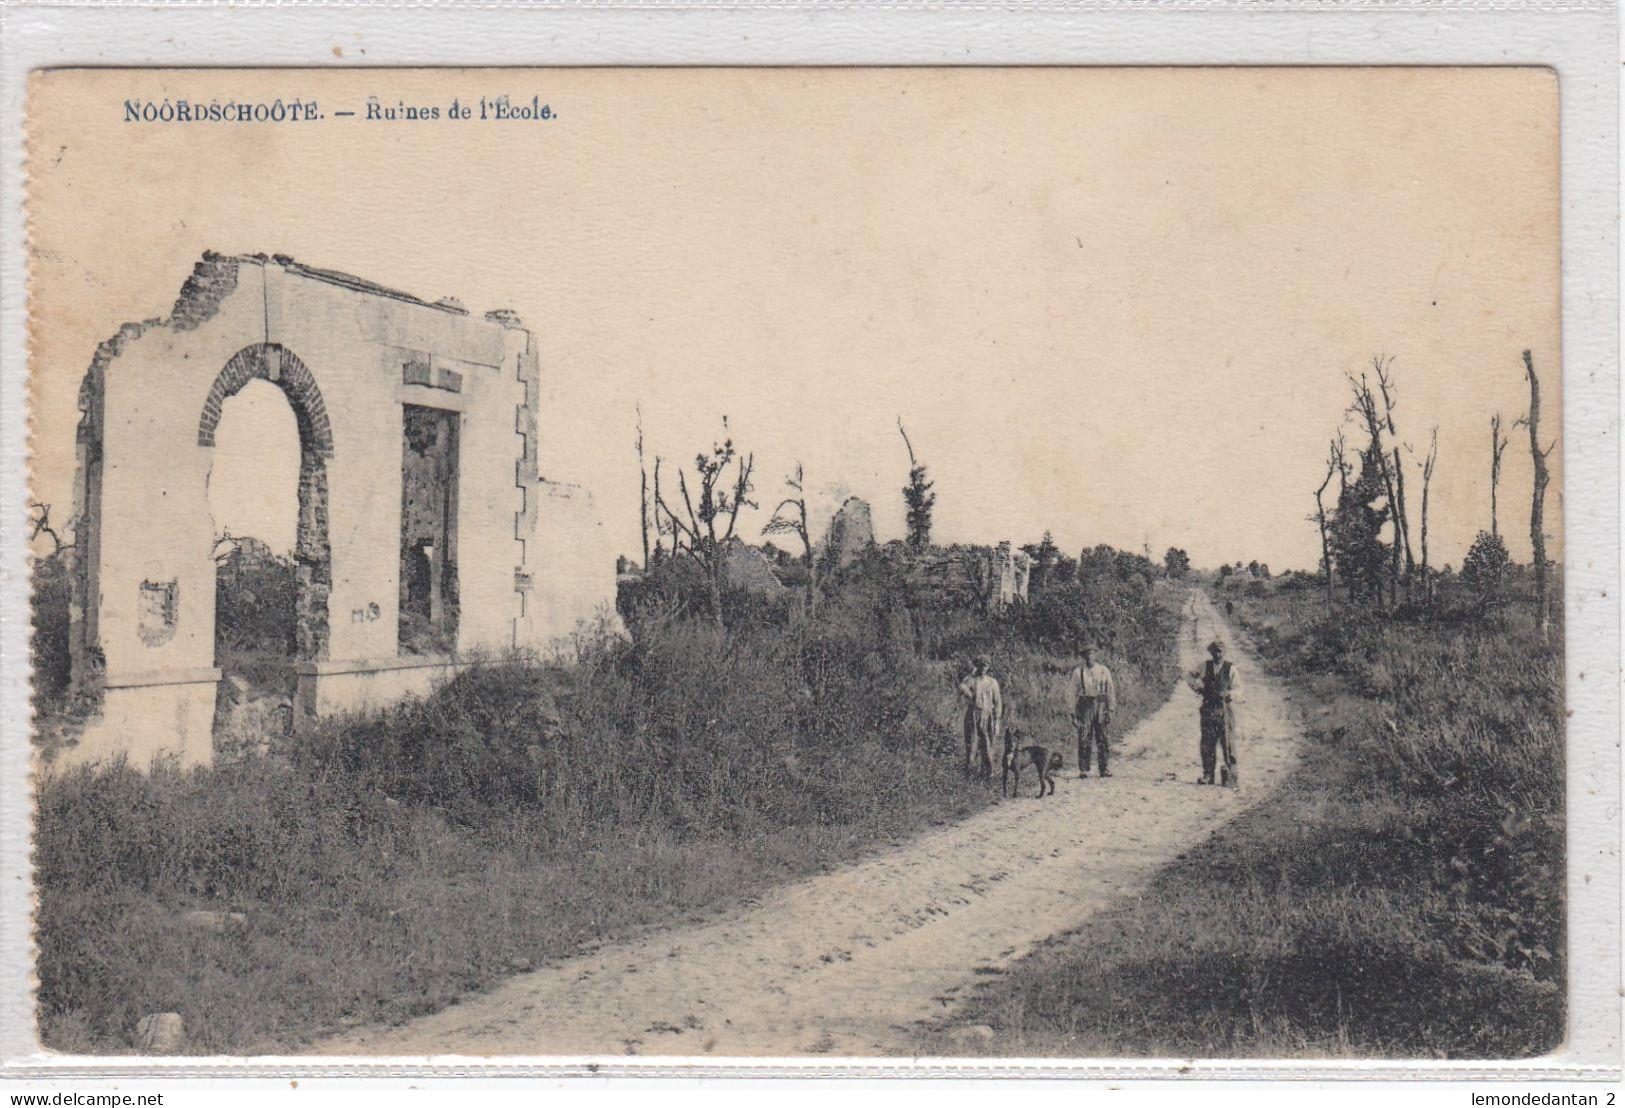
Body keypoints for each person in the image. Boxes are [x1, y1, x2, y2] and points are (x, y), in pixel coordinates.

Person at [1191, 639, 1240, 785]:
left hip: (1225, 710)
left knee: (1228, 743)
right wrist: (1197, 687)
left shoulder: (1230, 669)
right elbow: (1190, 676)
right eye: (1214, 652)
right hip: (1208, 709)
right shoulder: (1205, 666)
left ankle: (1231, 776)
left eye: (1220, 652)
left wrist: (1231, 695)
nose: (1217, 655)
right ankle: (1208, 775)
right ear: (1211, 652)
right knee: (1207, 742)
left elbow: (1239, 688)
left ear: (1224, 653)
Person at [1070, 643, 1117, 779]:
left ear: (1096, 655)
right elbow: (1072, 693)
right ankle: (1084, 769)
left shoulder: (1103, 670)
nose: (1089, 657)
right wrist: (1072, 712)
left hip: (1101, 705)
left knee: (1102, 737)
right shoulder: (1078, 672)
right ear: (1084, 657)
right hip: (1085, 705)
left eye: (1092, 653)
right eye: (1087, 654)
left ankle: (1104, 768)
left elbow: (1110, 691)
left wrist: (1111, 709)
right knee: (1084, 736)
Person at [959, 656, 1003, 781]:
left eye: (986, 665)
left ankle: (987, 775)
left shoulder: (992, 682)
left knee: (988, 744)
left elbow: (998, 702)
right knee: (971, 744)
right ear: (977, 666)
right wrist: (970, 691)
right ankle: (970, 773)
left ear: (989, 667)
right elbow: (961, 687)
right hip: (973, 715)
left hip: (987, 716)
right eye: (981, 665)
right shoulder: (972, 680)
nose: (983, 668)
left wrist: (997, 721)